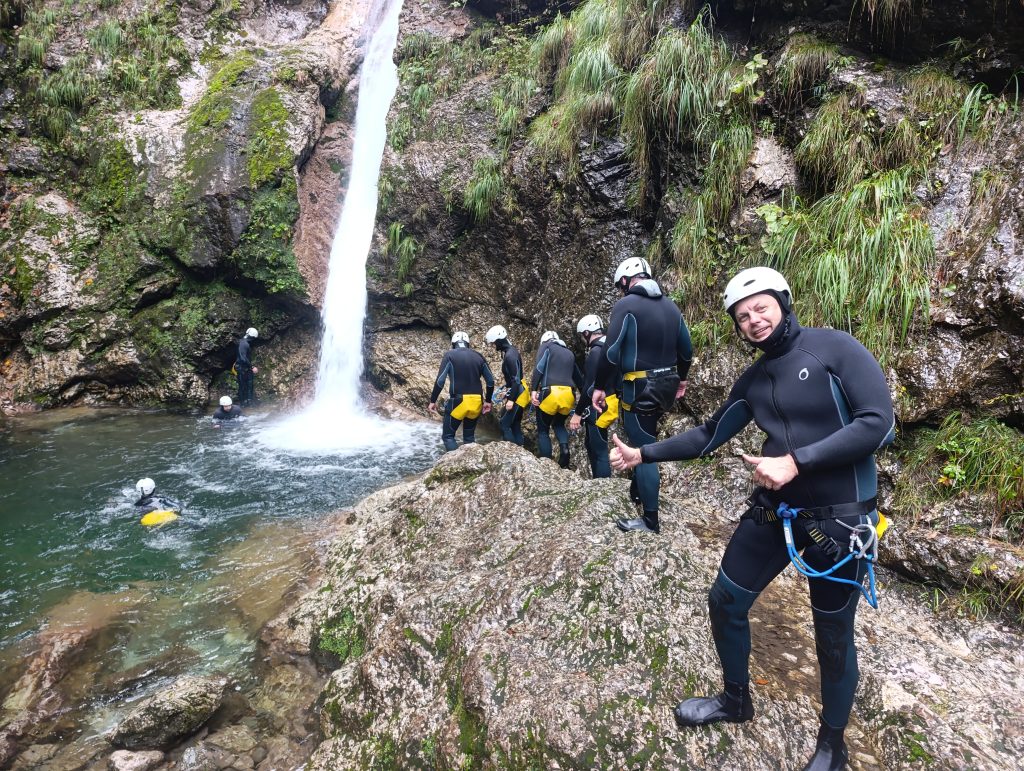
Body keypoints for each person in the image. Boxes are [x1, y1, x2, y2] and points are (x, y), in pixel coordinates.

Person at [609, 267, 895, 771]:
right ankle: (735, 700)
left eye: (760, 307)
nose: (753, 321)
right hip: (776, 514)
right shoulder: (755, 379)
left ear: (783, 301)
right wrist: (641, 454)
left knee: (831, 637)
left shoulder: (836, 349)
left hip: (840, 524)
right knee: (725, 600)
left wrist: (796, 460)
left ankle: (833, 744)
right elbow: (706, 435)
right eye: (742, 317)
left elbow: (878, 421)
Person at [593, 256, 692, 534]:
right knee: (646, 434)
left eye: (619, 286)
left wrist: (600, 387)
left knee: (642, 448)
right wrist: (682, 380)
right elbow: (686, 351)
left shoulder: (626, 305)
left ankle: (650, 520)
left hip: (639, 386)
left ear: (625, 280)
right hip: (667, 383)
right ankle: (638, 492)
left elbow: (610, 353)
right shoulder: (672, 307)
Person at [568, 314, 618, 478]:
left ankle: (602, 487)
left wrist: (577, 413)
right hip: (612, 401)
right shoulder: (612, 348)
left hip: (598, 406)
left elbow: (590, 387)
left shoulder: (596, 352)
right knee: (591, 444)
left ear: (587, 333)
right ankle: (599, 484)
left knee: (599, 450)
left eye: (583, 336)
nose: (583, 339)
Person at [429, 331, 495, 451]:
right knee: (469, 437)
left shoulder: (449, 355)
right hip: (476, 401)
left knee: (448, 436)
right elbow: (490, 381)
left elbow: (440, 381)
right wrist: (488, 401)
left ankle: (455, 464)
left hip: (458, 401)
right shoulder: (479, 356)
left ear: (453, 343)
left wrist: (433, 401)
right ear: (467, 343)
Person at [530, 331, 584, 469]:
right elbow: (579, 380)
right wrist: (586, 399)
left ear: (544, 340)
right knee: (559, 424)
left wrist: (533, 390)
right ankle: (565, 452)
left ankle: (546, 465)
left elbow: (539, 369)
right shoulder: (569, 353)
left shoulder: (546, 348)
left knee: (543, 430)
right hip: (569, 394)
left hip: (550, 392)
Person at [486, 325, 529, 446]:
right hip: (518, 391)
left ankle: (513, 453)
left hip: (518, 393)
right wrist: (508, 390)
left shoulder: (510, 355)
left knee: (504, 424)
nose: (493, 346)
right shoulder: (510, 352)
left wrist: (511, 399)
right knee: (514, 424)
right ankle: (521, 450)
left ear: (499, 340)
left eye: (494, 343)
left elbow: (516, 380)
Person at [235, 327, 259, 407]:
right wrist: (252, 367)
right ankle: (243, 404)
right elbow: (242, 358)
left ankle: (249, 403)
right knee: (243, 387)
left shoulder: (243, 343)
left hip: (245, 368)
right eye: (254, 338)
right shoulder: (244, 343)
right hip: (242, 368)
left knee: (249, 386)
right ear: (252, 337)